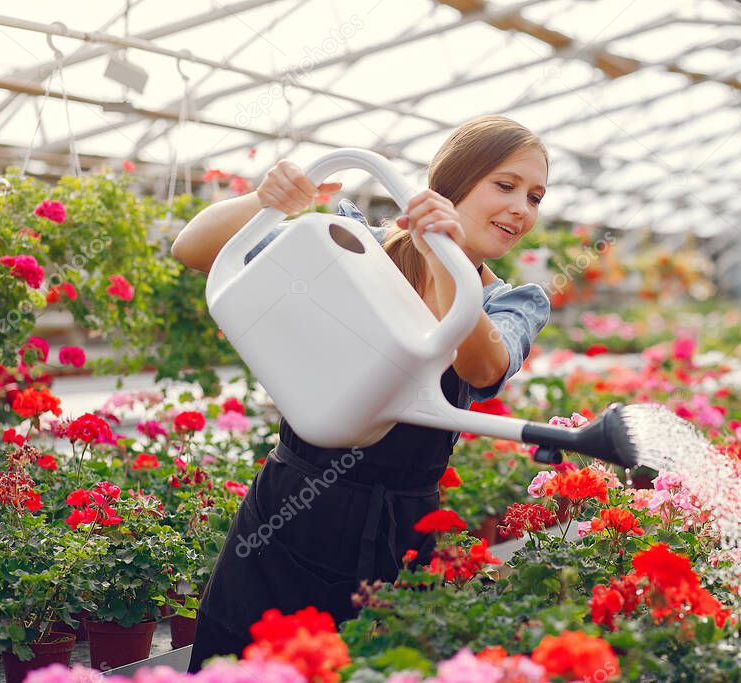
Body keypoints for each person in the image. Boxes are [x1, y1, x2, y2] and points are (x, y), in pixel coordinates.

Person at [171, 115, 551, 671]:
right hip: (286, 512)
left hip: (396, 531)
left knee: (369, 665)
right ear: (451, 183)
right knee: (234, 664)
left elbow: (483, 365)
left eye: (535, 196)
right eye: (506, 185)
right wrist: (266, 200)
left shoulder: (511, 302)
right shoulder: (356, 247)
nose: (523, 206)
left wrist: (447, 257)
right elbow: (196, 249)